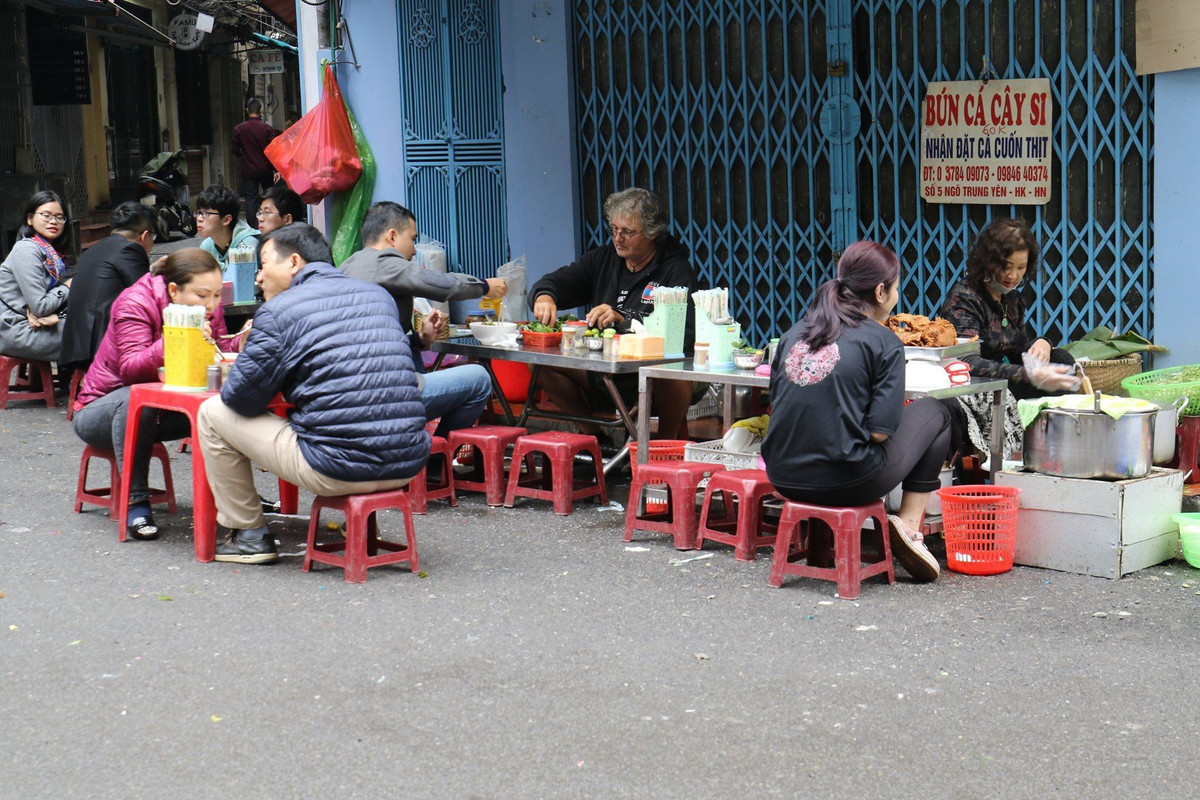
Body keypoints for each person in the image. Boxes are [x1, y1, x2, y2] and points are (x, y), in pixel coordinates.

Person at [196, 224, 429, 564]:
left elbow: (239, 399)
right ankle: (363, 529)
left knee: (212, 413)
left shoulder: (278, 312)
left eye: (264, 264)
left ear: (293, 262)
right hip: (407, 461)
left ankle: (248, 536)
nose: (259, 277)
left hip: (336, 469)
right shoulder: (378, 296)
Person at [760, 241, 950, 582]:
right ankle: (909, 528)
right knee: (939, 412)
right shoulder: (883, 341)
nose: (896, 297)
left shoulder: (792, 335)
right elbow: (879, 432)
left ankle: (899, 531)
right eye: (896, 288)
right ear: (880, 291)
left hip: (783, 476)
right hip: (847, 481)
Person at [71, 249, 239, 541]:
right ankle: (136, 502)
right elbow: (131, 370)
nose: (211, 304)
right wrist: (177, 336)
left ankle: (235, 498)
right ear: (173, 290)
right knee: (136, 398)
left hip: (168, 406)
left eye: (215, 295)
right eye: (202, 296)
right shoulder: (135, 302)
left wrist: (241, 341)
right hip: (101, 408)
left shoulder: (209, 308)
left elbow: (218, 351)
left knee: (226, 404)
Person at [528, 187, 698, 440]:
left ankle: (664, 448)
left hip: (647, 376)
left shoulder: (676, 271)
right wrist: (544, 295)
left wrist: (624, 320)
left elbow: (681, 335)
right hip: (602, 369)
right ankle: (594, 438)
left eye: (628, 232)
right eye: (614, 230)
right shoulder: (604, 260)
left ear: (652, 233)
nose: (618, 238)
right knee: (539, 363)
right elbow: (560, 281)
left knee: (671, 374)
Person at [339, 201, 503, 437]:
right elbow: (437, 283)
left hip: (348, 392)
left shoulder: (347, 265)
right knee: (480, 379)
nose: (414, 250)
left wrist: (419, 339)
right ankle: (435, 460)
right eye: (412, 239)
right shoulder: (384, 262)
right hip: (381, 396)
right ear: (392, 236)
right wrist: (484, 286)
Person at [939, 218, 1078, 463]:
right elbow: (965, 361)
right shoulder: (964, 298)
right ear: (987, 261)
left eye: (1021, 268)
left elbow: (1016, 350)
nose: (1012, 275)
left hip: (1003, 384)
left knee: (1061, 360)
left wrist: (1042, 343)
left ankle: (1054, 449)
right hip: (971, 389)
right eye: (1005, 266)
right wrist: (1028, 375)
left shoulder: (1012, 299)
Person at [60, 202, 157, 374]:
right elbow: (147, 295)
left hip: (77, 344)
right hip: (100, 344)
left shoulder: (93, 249)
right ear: (145, 235)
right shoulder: (130, 249)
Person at [0, 190, 72, 361]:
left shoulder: (52, 252)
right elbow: (41, 307)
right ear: (29, 219)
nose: (53, 221)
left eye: (59, 217)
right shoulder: (27, 250)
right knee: (94, 331)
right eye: (46, 215)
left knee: (92, 324)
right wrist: (67, 287)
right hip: (17, 331)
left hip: (34, 325)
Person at [231, 98, 279, 223]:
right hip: (266, 169)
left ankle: (253, 226)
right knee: (270, 197)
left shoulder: (239, 129)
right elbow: (273, 151)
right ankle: (270, 221)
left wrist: (244, 153)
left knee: (250, 199)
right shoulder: (267, 129)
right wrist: (277, 170)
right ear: (261, 110)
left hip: (249, 170)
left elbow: (235, 150)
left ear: (247, 110)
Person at [196, 184, 259, 270]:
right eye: (199, 213)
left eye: (206, 214)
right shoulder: (206, 246)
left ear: (226, 220)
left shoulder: (247, 245)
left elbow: (244, 279)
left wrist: (212, 265)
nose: (199, 219)